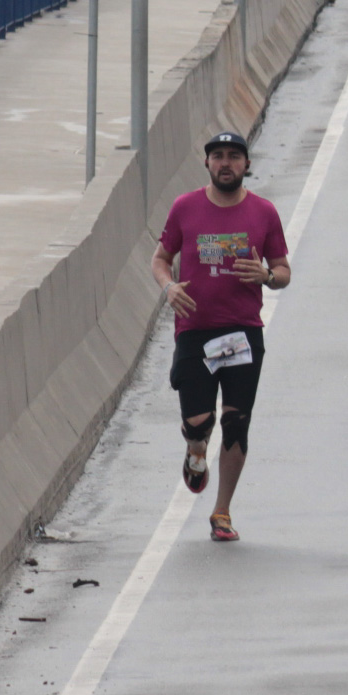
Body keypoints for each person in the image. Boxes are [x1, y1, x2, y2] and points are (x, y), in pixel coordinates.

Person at [151, 131, 291, 543]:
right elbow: (161, 258)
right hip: (195, 330)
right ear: (208, 163)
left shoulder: (263, 213)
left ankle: (222, 511)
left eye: (234, 156)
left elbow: (283, 270)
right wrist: (168, 287)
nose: (226, 163)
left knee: (235, 422)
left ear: (246, 164)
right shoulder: (185, 207)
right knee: (200, 422)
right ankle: (195, 447)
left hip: (244, 332)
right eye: (218, 157)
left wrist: (266, 275)